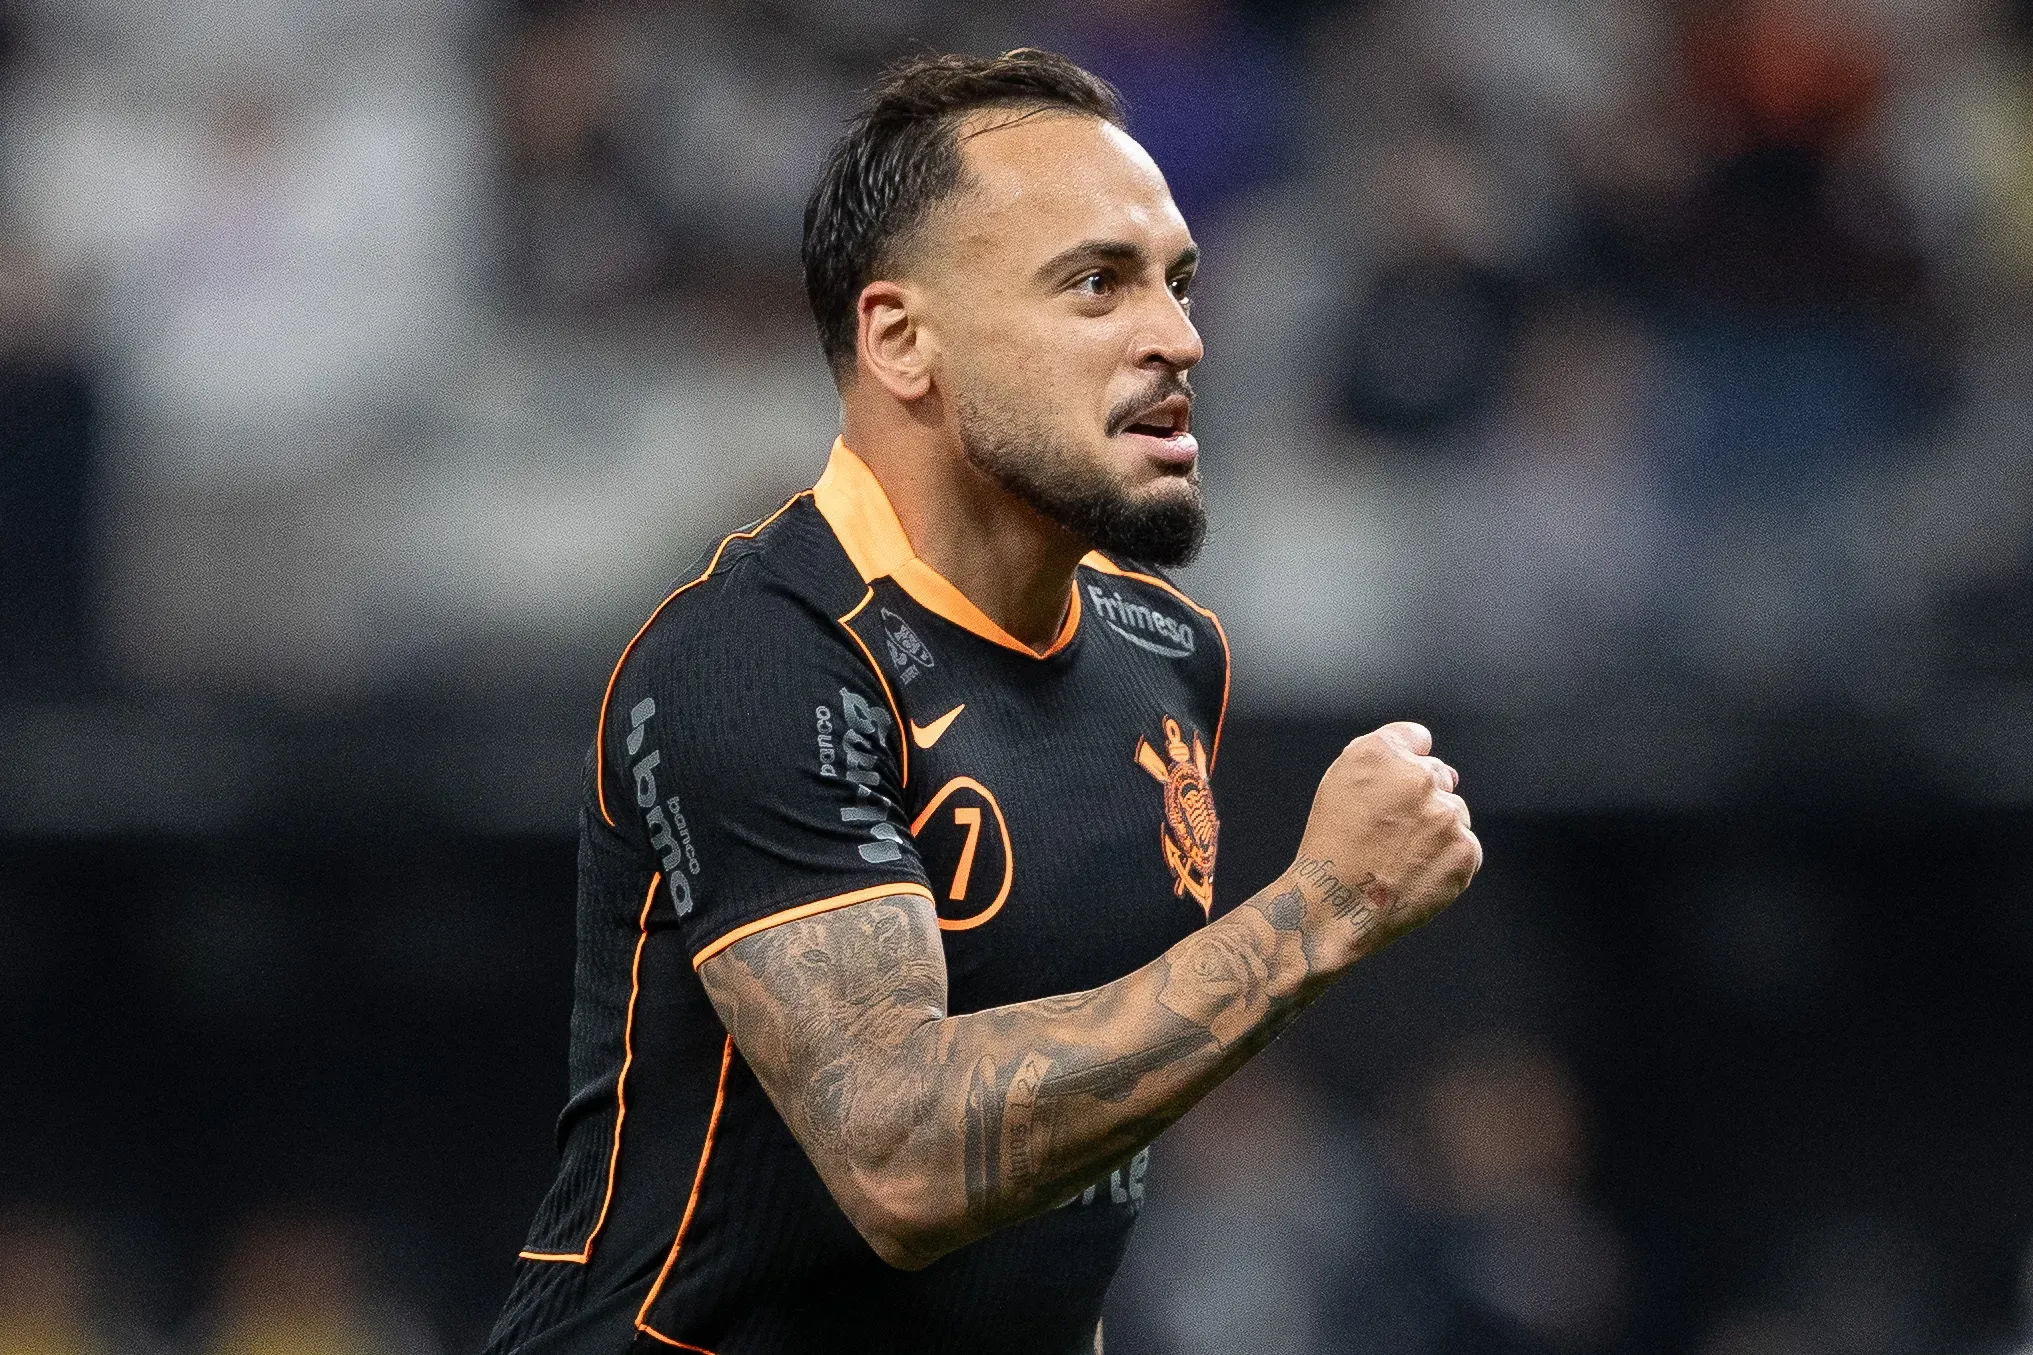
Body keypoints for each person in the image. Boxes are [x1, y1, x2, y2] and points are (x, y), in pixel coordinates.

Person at [485, 48, 1481, 1355]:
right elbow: (903, 1161)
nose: (1180, 336)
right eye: (1095, 283)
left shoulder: (1164, 655)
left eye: (1177, 282)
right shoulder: (758, 661)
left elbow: (1056, 1208)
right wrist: (1325, 907)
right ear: (903, 338)